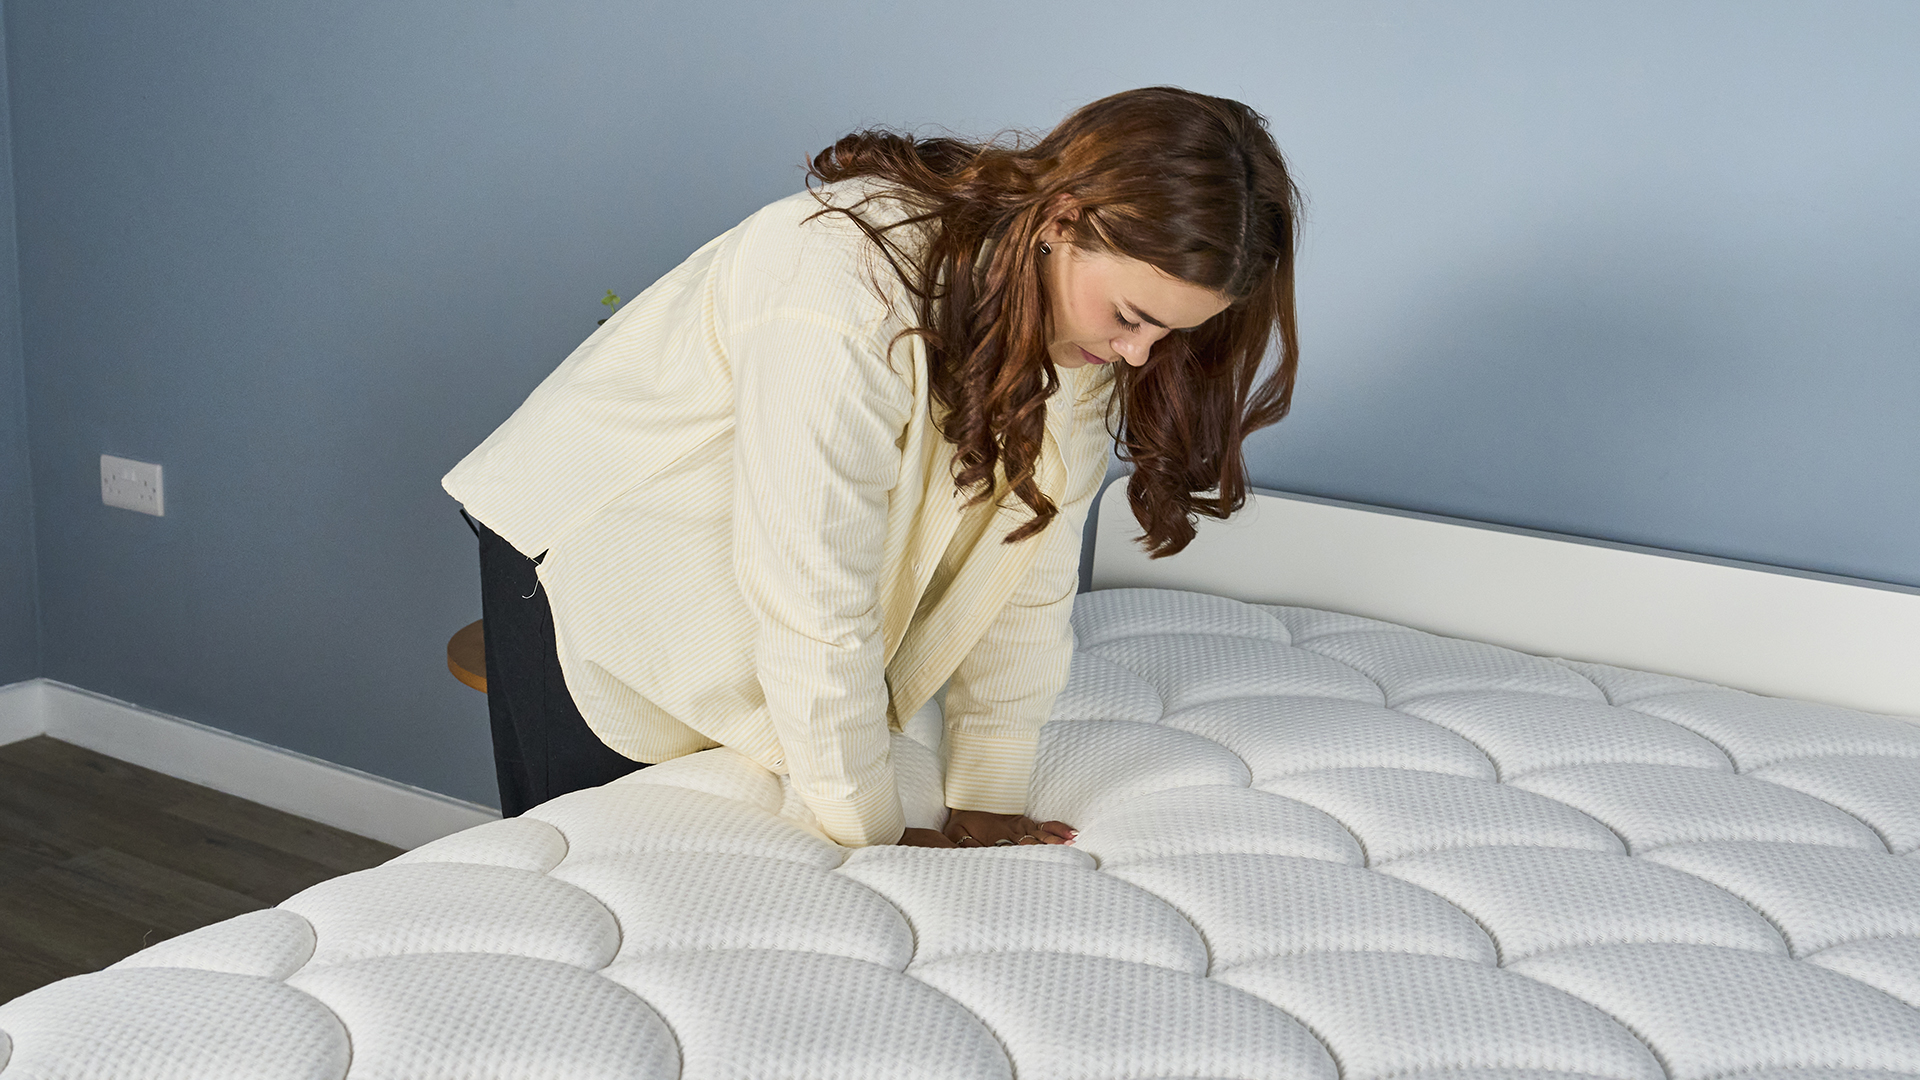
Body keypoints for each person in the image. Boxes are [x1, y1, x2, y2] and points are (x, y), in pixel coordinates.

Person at [443, 86, 1302, 849]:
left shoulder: (1077, 343)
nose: (1139, 354)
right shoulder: (844, 282)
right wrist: (870, 832)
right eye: (1131, 316)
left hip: (745, 544)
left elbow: (1024, 576)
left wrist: (988, 794)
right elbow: (814, 584)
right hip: (600, 531)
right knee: (593, 855)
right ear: (1064, 218)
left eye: (1168, 334)